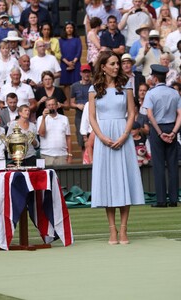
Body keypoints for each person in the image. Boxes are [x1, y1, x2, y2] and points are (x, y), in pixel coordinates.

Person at [89, 51, 145, 245]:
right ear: (103, 67)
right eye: (112, 64)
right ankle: (112, 230)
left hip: (123, 136)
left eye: (117, 64)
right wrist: (102, 138)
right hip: (103, 136)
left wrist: (124, 135)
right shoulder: (93, 88)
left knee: (124, 181)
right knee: (108, 182)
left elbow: (131, 113)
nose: (116, 67)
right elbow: (92, 117)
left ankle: (123, 230)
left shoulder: (126, 85)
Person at [143, 64, 181, 207]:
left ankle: (161, 200)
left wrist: (160, 133)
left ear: (154, 78)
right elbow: (180, 115)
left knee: (158, 165)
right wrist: (173, 132)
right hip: (171, 127)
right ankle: (173, 199)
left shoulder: (151, 93)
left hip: (157, 129)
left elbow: (150, 115)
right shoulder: (174, 93)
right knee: (172, 165)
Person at [37, 97, 72, 166]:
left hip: (62, 155)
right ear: (46, 107)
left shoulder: (64, 118)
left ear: (57, 105)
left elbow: (68, 138)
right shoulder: (40, 118)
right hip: (46, 155)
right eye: (49, 105)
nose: (51, 107)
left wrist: (70, 155)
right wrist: (44, 118)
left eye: (53, 104)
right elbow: (41, 134)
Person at [70, 64, 92, 155]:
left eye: (88, 72)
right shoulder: (75, 86)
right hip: (80, 114)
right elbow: (71, 103)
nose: (86, 74)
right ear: (80, 73)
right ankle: (85, 160)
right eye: (84, 72)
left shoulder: (94, 85)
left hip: (92, 114)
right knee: (81, 140)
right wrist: (77, 105)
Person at [59, 21, 82, 102]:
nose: (69, 29)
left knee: (76, 83)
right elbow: (60, 53)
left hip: (76, 64)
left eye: (71, 28)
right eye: (67, 28)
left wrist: (73, 62)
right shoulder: (61, 40)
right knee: (66, 84)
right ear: (65, 29)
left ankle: (74, 102)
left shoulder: (77, 39)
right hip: (64, 64)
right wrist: (67, 62)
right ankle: (67, 102)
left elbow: (79, 52)